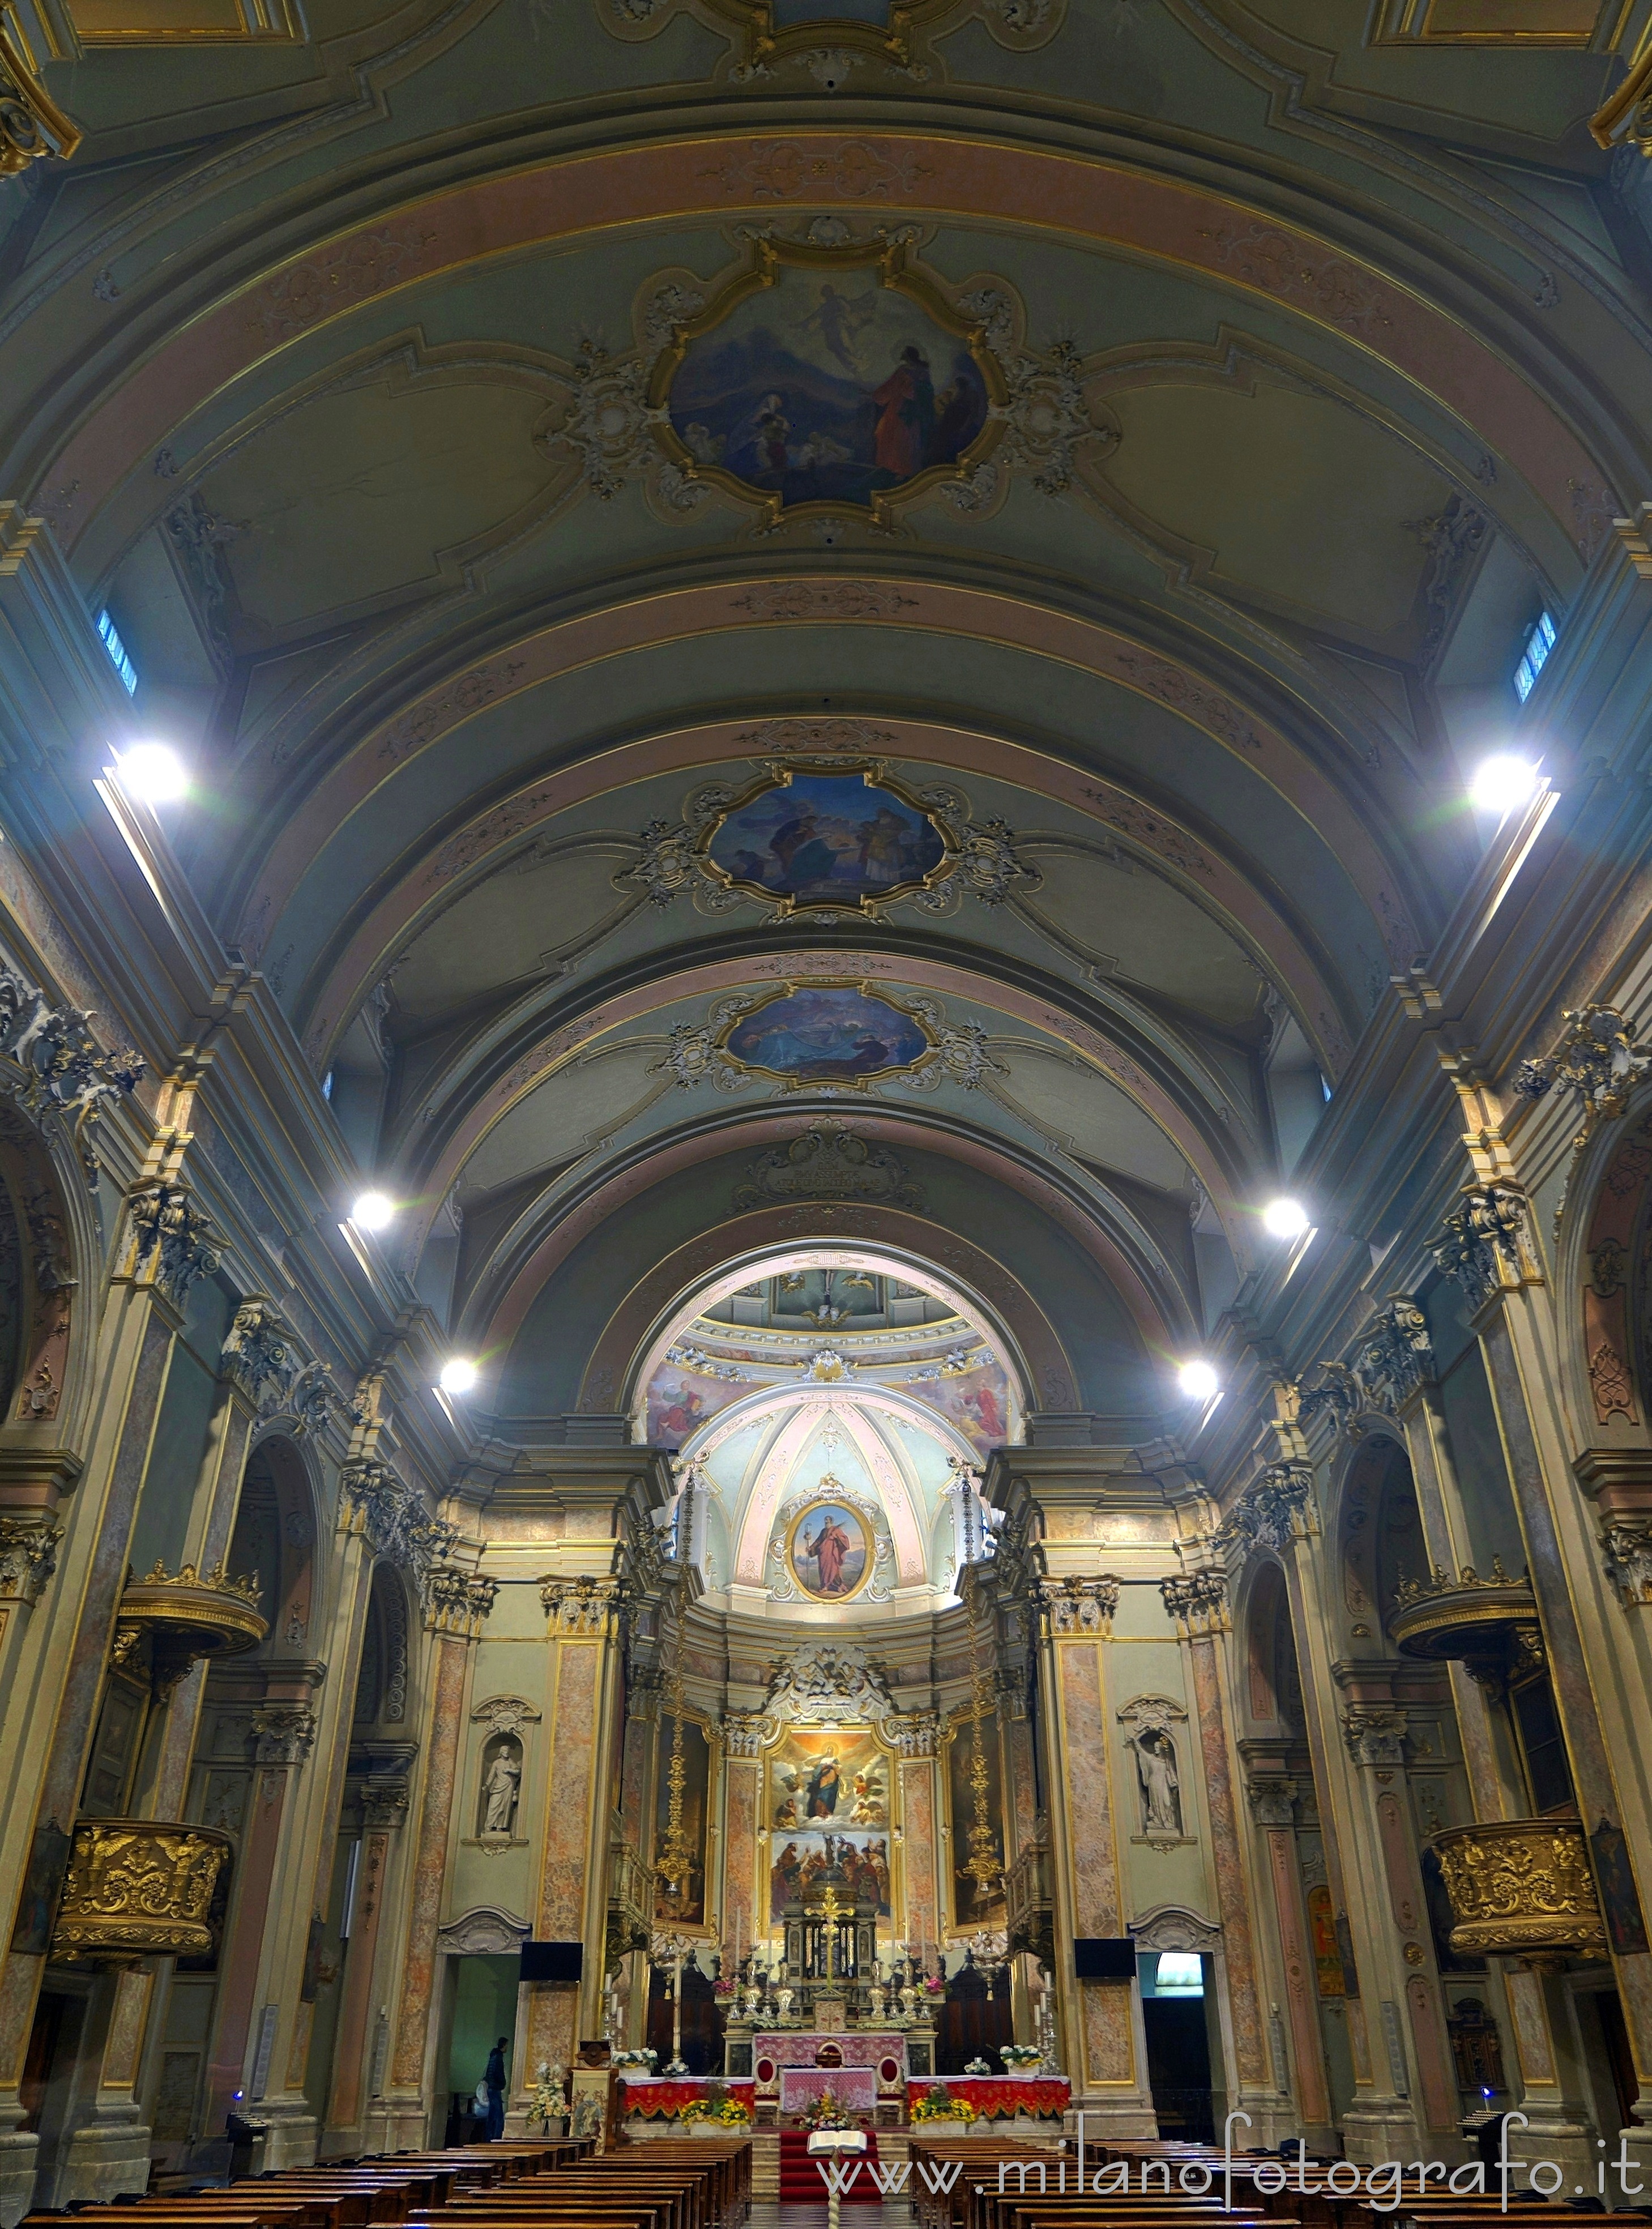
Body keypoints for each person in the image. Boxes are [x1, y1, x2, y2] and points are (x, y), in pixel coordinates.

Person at [484, 2036, 508, 2141]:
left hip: (491, 2087)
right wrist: (503, 2083)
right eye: (507, 2045)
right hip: (495, 2088)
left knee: (492, 2114)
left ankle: (489, 2136)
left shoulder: (493, 2056)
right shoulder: (498, 2057)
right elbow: (498, 2073)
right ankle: (497, 2137)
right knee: (499, 2115)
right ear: (504, 2045)